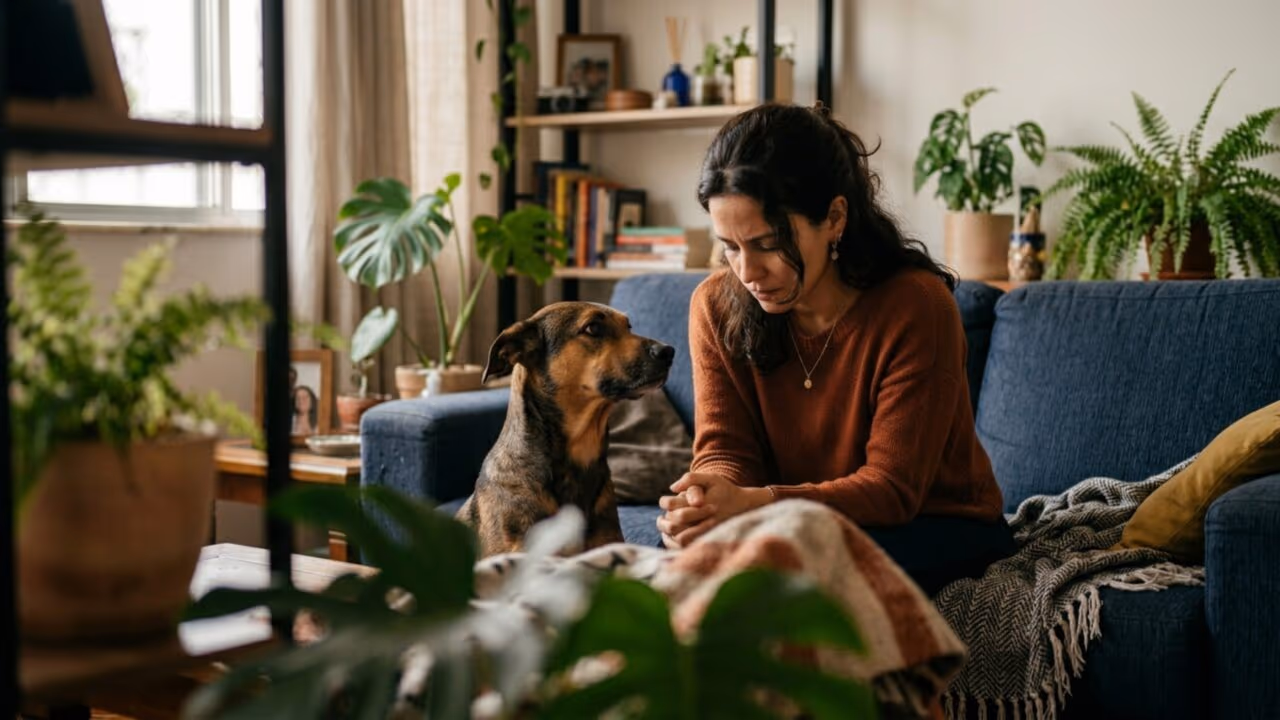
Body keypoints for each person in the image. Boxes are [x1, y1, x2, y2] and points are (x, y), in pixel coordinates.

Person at [656, 103, 1014, 595]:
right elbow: (725, 448)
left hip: (934, 527)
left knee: (792, 575)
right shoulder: (715, 305)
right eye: (730, 247)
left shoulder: (916, 306)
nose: (747, 271)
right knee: (682, 561)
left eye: (767, 243)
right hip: (790, 519)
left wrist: (754, 503)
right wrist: (708, 498)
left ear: (835, 218)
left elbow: (892, 491)